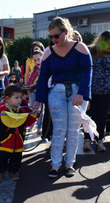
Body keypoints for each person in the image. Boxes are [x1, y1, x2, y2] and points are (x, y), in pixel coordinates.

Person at [33, 16, 92, 178]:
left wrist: (82, 94)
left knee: (73, 131)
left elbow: (88, 72)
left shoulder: (80, 48)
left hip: (77, 92)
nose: (53, 40)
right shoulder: (48, 52)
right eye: (50, 37)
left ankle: (70, 164)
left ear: (66, 32)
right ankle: (55, 165)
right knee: (58, 130)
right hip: (56, 92)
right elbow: (43, 77)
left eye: (56, 36)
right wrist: (38, 99)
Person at [0, 84, 38, 181]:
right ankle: (0, 171)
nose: (19, 100)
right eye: (16, 98)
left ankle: (13, 171)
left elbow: (28, 122)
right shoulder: (1, 109)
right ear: (7, 98)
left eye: (20, 97)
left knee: (17, 158)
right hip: (5, 140)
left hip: (19, 140)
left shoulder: (22, 110)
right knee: (2, 157)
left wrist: (33, 115)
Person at [26, 49, 44, 134]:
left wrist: (35, 85)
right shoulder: (36, 68)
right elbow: (31, 79)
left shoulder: (46, 67)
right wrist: (27, 89)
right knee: (33, 108)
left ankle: (39, 127)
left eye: (39, 59)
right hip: (34, 90)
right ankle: (33, 123)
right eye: (35, 60)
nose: (37, 62)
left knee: (41, 110)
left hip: (43, 91)